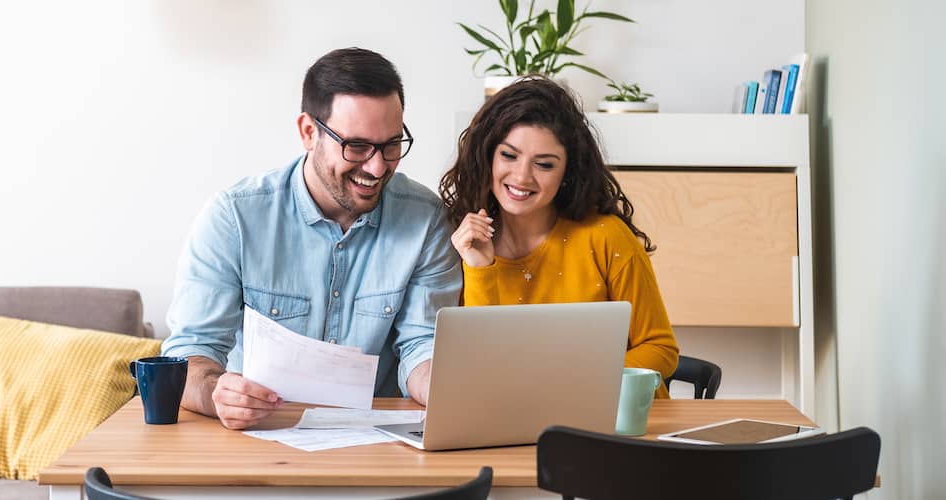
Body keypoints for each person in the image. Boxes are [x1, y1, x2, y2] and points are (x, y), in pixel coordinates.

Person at [162, 47, 462, 429]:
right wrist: (217, 393)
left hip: (376, 446)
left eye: (390, 145)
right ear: (308, 132)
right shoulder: (234, 218)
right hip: (255, 439)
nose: (376, 167)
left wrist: (442, 388)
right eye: (356, 146)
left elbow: (422, 345)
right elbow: (189, 355)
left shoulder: (425, 219)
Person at [439, 76, 679, 397]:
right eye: (509, 156)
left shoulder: (605, 237)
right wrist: (479, 268)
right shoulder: (461, 242)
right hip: (513, 419)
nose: (522, 176)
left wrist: (573, 384)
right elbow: (480, 366)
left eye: (544, 164)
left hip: (613, 421)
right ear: (487, 156)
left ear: (568, 172)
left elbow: (660, 347)